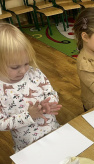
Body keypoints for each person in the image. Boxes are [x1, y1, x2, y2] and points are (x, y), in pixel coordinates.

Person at [0, 23, 62, 153]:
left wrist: (50, 102)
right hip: (28, 146)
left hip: (54, 132)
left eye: (26, 63)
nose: (23, 70)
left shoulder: (35, 73)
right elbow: (1, 123)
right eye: (15, 67)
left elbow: (50, 92)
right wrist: (28, 116)